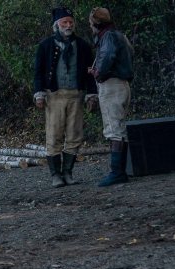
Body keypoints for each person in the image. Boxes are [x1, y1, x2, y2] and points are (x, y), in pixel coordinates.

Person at [33, 7, 97, 188]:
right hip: (54, 96)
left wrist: (91, 95)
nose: (68, 25)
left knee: (74, 135)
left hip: (76, 95)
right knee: (54, 135)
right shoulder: (46, 45)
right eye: (64, 22)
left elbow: (90, 72)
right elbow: (38, 72)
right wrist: (39, 94)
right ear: (57, 25)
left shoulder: (82, 46)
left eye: (70, 22)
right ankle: (55, 175)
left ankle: (68, 173)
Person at [88, 7, 136, 187]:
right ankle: (119, 171)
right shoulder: (118, 35)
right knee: (119, 126)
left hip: (112, 85)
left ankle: (117, 172)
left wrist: (98, 73)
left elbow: (107, 56)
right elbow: (129, 53)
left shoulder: (107, 36)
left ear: (95, 22)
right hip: (122, 84)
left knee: (114, 128)